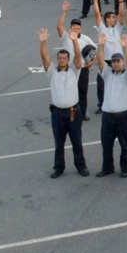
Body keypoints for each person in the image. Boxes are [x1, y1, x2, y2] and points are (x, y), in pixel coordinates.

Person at [38, 27, 89, 178]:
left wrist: (74, 42)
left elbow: (78, 56)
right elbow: (44, 57)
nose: (61, 60)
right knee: (59, 143)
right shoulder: (52, 71)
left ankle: (81, 166)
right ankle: (58, 168)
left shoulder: (75, 70)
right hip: (57, 113)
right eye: (59, 58)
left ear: (68, 60)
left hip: (73, 112)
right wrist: (43, 43)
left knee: (76, 141)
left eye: (64, 58)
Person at [96, 35, 127, 178]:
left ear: (122, 62)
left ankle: (125, 168)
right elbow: (100, 62)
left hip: (122, 116)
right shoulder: (107, 74)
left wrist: (126, 48)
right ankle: (107, 168)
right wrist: (100, 46)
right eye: (113, 62)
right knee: (106, 145)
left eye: (118, 61)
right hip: (107, 116)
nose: (115, 64)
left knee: (125, 144)